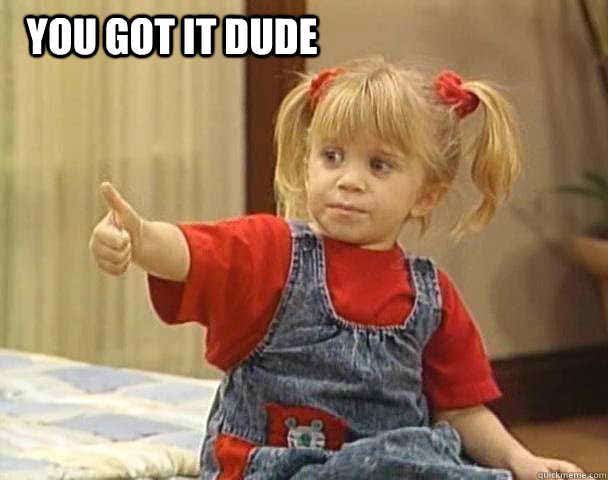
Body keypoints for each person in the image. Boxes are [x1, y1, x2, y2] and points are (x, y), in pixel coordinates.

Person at [89, 56, 584, 479]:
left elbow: (461, 411)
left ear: (426, 195)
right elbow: (191, 252)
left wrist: (521, 461)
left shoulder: (432, 297)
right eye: (332, 157)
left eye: (379, 165)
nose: (349, 180)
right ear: (307, 165)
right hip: (272, 467)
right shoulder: (273, 249)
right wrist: (140, 238)